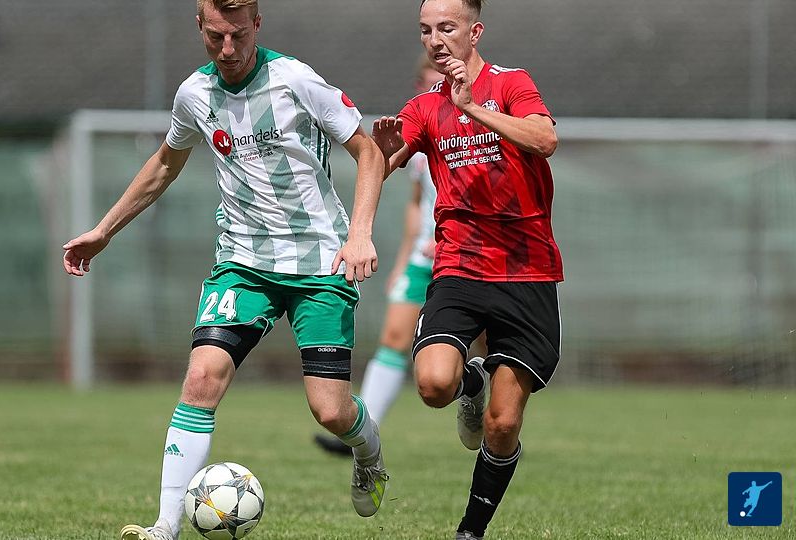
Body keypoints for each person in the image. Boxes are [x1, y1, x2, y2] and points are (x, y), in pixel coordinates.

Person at [62, 1, 389, 539]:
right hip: (243, 263)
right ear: (200, 26)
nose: (228, 49)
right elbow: (165, 162)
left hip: (320, 261)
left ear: (257, 24)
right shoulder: (194, 94)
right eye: (216, 36)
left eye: (238, 34)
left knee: (330, 411)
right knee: (200, 379)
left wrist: (359, 234)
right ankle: (164, 527)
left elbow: (369, 152)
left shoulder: (295, 80)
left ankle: (369, 452)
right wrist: (104, 230)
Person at [372, 0, 562, 538]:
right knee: (434, 384)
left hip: (527, 271)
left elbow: (545, 140)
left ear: (475, 32)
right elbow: (383, 166)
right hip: (459, 265)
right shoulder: (423, 106)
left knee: (502, 424)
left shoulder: (512, 83)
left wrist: (473, 108)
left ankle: (470, 531)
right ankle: (470, 383)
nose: (435, 39)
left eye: (447, 27)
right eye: (425, 30)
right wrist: (378, 157)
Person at [314, 58, 444, 457]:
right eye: (428, 85)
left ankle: (494, 427)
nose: (435, 91)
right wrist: (404, 259)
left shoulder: (472, 133)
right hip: (422, 259)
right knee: (393, 339)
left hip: (465, 256)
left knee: (483, 349)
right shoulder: (418, 144)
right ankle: (363, 434)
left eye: (441, 83)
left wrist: (452, 237)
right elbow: (417, 205)